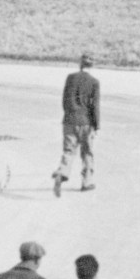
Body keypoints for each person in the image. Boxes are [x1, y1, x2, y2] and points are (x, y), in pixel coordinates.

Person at [52, 52, 101, 198]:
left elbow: (65, 100)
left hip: (69, 120)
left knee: (68, 151)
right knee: (87, 152)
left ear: (80, 64)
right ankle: (87, 182)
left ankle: (62, 172)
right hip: (86, 122)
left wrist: (68, 115)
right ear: (92, 66)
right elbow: (95, 106)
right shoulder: (94, 82)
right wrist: (96, 125)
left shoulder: (70, 78)